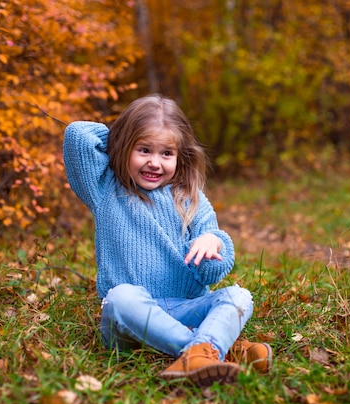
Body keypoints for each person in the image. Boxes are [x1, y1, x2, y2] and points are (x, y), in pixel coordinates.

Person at [63, 94, 272, 387]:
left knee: (239, 296)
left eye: (166, 154)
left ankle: (200, 353)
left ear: (179, 156)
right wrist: (122, 135)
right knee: (120, 298)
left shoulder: (190, 199)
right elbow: (77, 136)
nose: (154, 162)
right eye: (144, 149)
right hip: (131, 320)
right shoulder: (106, 189)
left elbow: (212, 271)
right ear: (125, 148)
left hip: (186, 307)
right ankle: (211, 348)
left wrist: (214, 242)